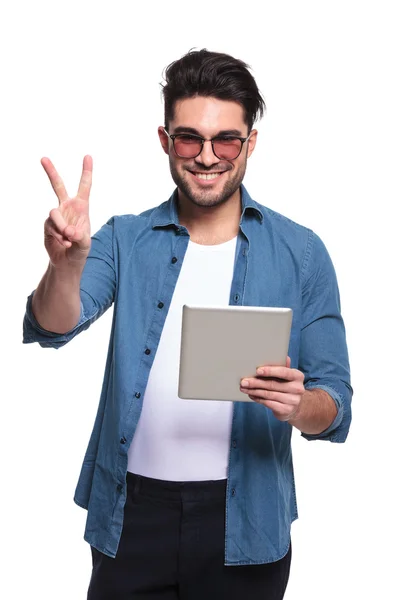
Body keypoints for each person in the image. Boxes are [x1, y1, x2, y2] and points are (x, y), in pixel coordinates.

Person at [23, 49, 352, 600]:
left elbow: (336, 405)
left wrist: (302, 406)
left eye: (226, 139)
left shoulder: (302, 253)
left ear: (250, 142)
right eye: (188, 138)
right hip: (132, 516)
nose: (206, 157)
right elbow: (56, 325)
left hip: (246, 518)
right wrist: (65, 265)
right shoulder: (124, 238)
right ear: (164, 140)